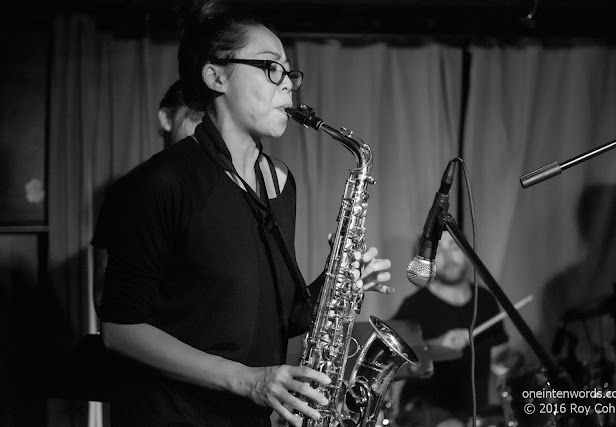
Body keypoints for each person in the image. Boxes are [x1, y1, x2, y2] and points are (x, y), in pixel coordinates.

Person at [94, 1, 392, 426]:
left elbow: (279, 318)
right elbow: (120, 330)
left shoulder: (280, 182)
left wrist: (340, 284)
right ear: (215, 75)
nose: (288, 84)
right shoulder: (162, 182)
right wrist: (248, 380)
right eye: (271, 68)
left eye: (289, 71)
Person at [92, 80, 203, 313]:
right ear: (166, 118)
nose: (206, 132)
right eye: (196, 118)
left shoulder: (228, 186)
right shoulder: (133, 189)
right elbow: (106, 290)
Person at [393, 231, 510, 427]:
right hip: (425, 410)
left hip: (477, 411)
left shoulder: (486, 300)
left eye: (454, 248)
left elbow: (500, 358)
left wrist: (510, 359)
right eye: (439, 251)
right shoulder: (413, 307)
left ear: (466, 253)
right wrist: (436, 345)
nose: (448, 257)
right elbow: (394, 364)